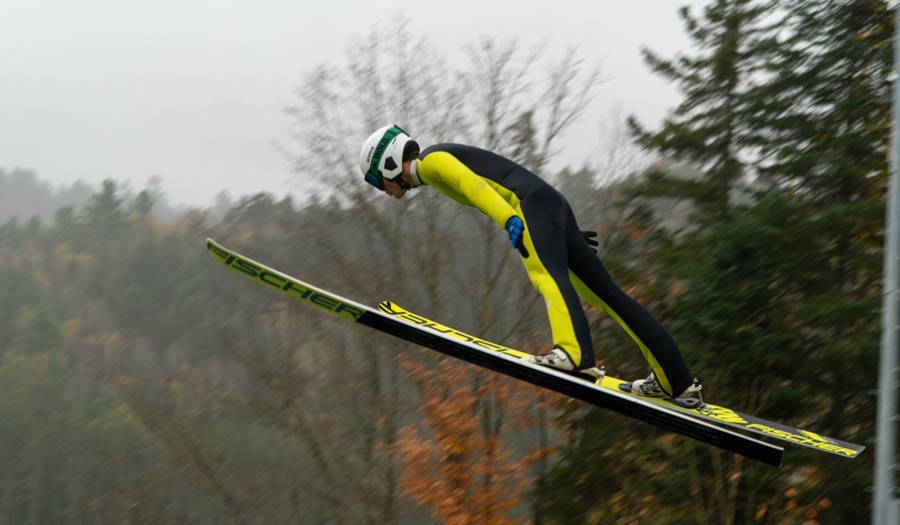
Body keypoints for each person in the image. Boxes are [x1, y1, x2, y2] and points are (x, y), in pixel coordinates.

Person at [358, 125, 700, 399]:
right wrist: (564, 229)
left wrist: (510, 219)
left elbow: (475, 187)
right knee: (610, 297)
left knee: (545, 274)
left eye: (376, 180)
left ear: (388, 163)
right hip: (548, 205)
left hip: (530, 207)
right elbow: (512, 178)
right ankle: (677, 381)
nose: (381, 189)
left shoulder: (430, 162)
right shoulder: (432, 165)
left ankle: (573, 355)